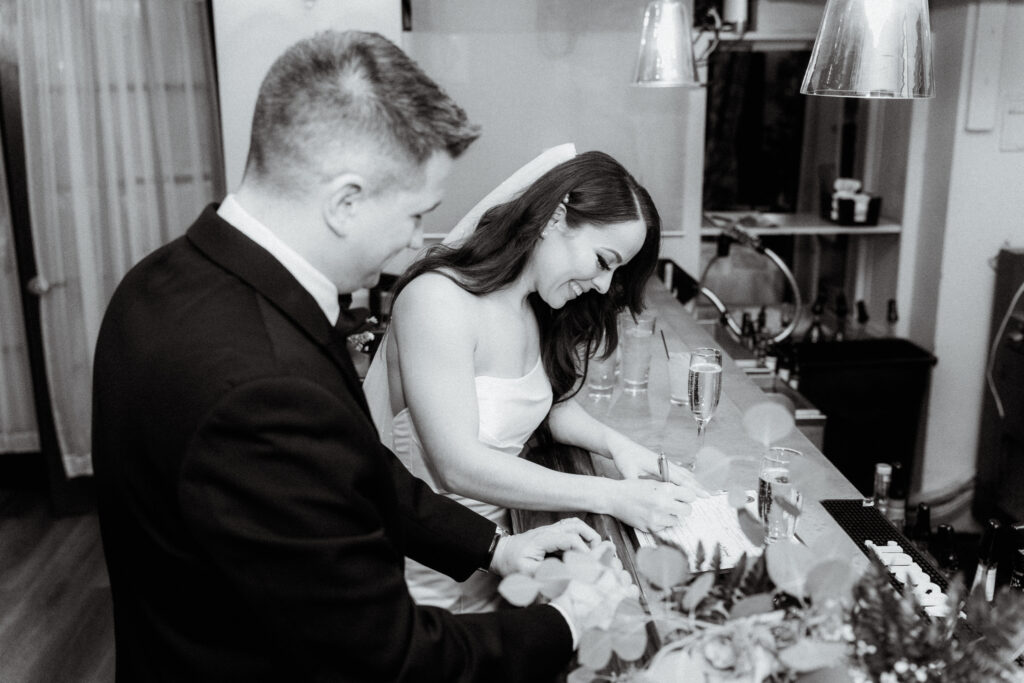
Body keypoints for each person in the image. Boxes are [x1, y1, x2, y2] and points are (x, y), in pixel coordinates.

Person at [92, 30, 624, 682]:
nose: (413, 245)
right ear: (346, 201)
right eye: (414, 215)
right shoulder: (262, 386)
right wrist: (567, 621)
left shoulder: (159, 278)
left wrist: (493, 546)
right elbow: (389, 658)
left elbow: (348, 466)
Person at [362, 146, 703, 612]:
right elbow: (456, 464)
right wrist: (616, 496)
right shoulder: (438, 301)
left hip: (508, 553)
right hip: (428, 576)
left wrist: (620, 447)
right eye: (604, 260)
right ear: (556, 217)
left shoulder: (531, 304)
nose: (605, 285)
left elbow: (540, 401)